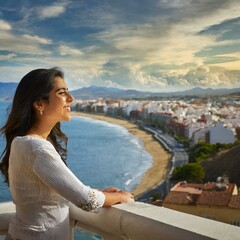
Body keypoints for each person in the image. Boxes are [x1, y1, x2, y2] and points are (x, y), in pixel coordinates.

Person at [0, 67, 134, 240]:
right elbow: (87, 200)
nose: (71, 99)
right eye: (62, 93)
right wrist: (120, 196)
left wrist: (102, 194)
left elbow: (51, 194)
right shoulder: (37, 148)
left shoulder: (21, 143)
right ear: (39, 104)